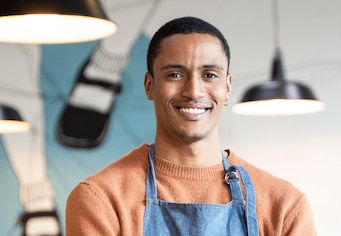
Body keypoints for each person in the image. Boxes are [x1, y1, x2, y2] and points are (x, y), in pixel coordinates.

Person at [65, 16, 316, 235]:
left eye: (209, 75)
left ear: (227, 88)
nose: (193, 91)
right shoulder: (100, 198)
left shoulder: (284, 205)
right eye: (175, 74)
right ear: (149, 86)